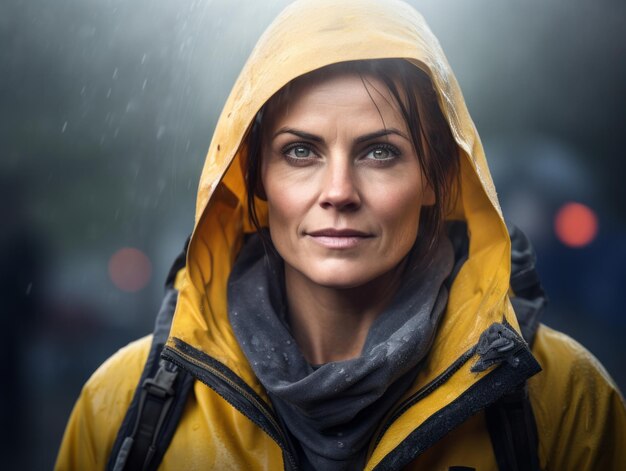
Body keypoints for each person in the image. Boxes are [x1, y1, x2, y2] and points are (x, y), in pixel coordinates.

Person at [55, 0, 626, 469]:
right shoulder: (122, 401)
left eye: (380, 152)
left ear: (436, 179)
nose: (338, 190)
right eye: (300, 151)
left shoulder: (565, 398)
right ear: (256, 178)